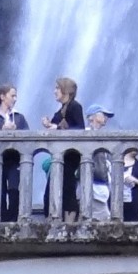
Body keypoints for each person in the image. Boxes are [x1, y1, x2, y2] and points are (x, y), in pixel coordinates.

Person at [0, 84, 28, 220]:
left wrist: (16, 132)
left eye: (15, 96)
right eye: (12, 95)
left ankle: (13, 219)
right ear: (2, 97)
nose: (15, 99)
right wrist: (1, 131)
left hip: (15, 160)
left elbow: (29, 137)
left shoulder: (19, 117)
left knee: (15, 190)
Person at [44, 75, 86, 218]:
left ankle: (69, 223)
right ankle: (57, 218)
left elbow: (80, 129)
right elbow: (56, 124)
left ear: (65, 90)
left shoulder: (75, 107)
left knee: (67, 188)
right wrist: (49, 124)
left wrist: (56, 128)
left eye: (57, 88)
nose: (55, 91)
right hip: (61, 156)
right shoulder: (62, 109)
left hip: (70, 157)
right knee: (53, 190)